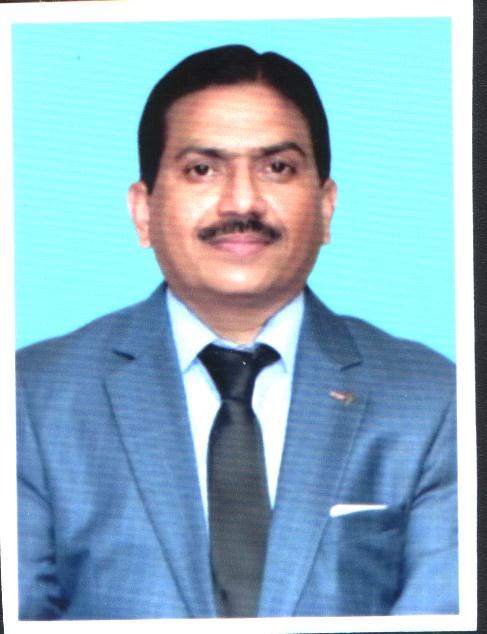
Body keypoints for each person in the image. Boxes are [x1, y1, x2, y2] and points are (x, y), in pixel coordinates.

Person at [16, 44, 458, 620]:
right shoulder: (30, 397)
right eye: (202, 169)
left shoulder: (434, 400)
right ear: (143, 211)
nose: (243, 201)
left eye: (278, 168)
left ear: (325, 207)